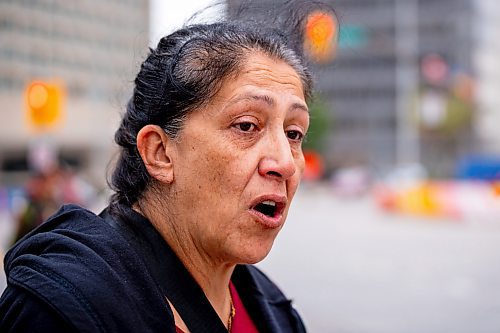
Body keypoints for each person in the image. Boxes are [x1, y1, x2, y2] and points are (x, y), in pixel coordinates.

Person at [0, 3, 334, 332]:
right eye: (246, 126)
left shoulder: (275, 315)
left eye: (294, 133)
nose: (285, 163)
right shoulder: (63, 309)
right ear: (159, 153)